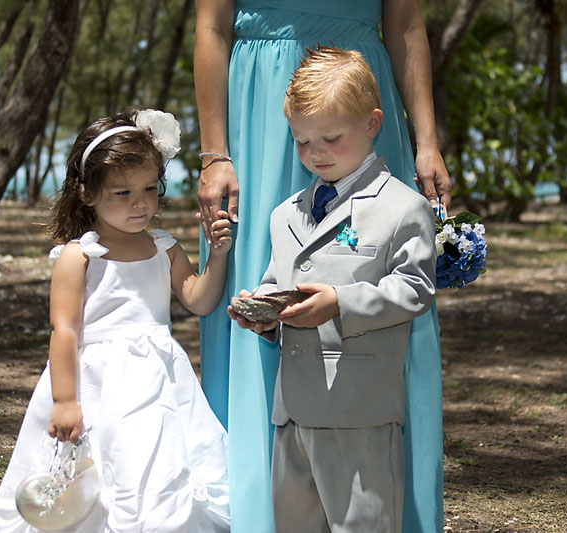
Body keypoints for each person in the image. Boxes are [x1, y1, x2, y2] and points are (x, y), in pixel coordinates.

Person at [194, 1, 449, 531]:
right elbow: (211, 25)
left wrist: (427, 141)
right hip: (261, 101)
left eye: (324, 144)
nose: (315, 153)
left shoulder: (396, 195)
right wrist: (214, 153)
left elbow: (406, 24)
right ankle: (258, 506)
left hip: (357, 82)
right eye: (308, 145)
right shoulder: (285, 206)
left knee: (372, 255)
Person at [0, 108, 232, 532]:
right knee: (94, 470)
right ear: (87, 193)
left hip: (159, 379)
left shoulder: (164, 248)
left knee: (156, 462)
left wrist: (218, 255)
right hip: (95, 380)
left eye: (150, 189)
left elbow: (198, 299)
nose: (141, 203)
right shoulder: (80, 255)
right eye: (122, 193)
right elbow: (64, 330)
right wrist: (65, 400)